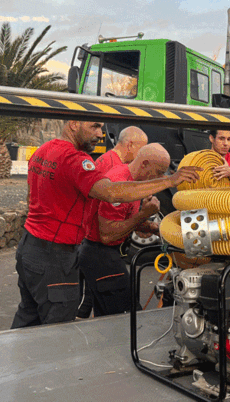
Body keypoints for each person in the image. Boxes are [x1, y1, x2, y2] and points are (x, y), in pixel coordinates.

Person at [10, 120, 199, 328]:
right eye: (94, 126)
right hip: (55, 255)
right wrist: (170, 181)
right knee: (58, 329)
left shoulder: (43, 150)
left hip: (30, 246)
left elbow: (31, 198)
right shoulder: (76, 159)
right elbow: (110, 193)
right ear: (73, 124)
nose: (101, 134)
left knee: (28, 319)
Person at [78, 143, 170, 317]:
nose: (159, 179)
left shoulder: (132, 181)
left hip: (105, 253)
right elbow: (108, 234)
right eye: (158, 173)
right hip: (100, 253)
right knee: (128, 316)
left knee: (108, 317)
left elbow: (125, 221)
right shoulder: (120, 183)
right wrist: (143, 215)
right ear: (144, 164)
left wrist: (153, 227)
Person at [77, 126, 147, 319]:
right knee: (100, 304)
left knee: (94, 303)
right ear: (130, 145)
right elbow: (107, 218)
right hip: (97, 245)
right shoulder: (111, 166)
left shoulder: (116, 164)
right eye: (142, 149)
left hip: (98, 246)